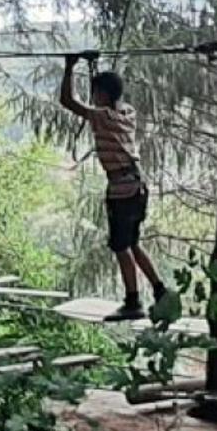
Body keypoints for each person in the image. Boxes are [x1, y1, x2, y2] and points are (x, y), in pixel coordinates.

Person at [60, 54, 168, 321]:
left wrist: (70, 66)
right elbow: (102, 105)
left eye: (95, 92)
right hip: (137, 185)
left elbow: (67, 101)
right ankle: (160, 290)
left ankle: (133, 302)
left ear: (103, 94)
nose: (93, 97)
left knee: (121, 246)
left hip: (122, 188)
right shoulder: (127, 112)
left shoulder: (103, 116)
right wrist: (92, 69)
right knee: (131, 242)